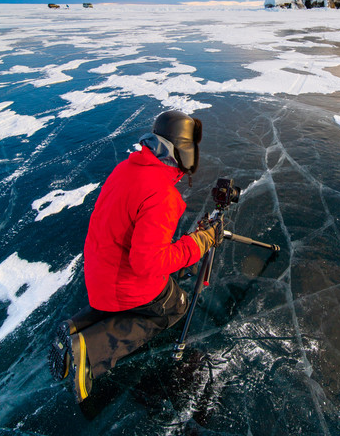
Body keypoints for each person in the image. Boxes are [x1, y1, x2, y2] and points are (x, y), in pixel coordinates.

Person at [48, 109, 223, 403]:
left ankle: (76, 326)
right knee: (173, 307)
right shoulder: (162, 195)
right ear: (182, 150)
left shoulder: (127, 169)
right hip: (123, 282)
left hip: (101, 276)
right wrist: (200, 242)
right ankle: (89, 350)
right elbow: (147, 264)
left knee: (148, 287)